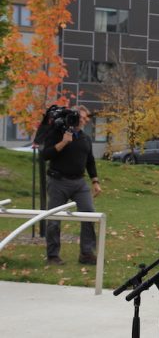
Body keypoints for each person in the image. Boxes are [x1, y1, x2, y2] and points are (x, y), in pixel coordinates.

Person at [40, 105, 102, 266]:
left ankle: (86, 254)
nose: (83, 120)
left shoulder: (85, 138)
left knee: (89, 214)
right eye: (80, 117)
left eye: (85, 118)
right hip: (58, 181)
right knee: (54, 219)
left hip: (79, 183)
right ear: (72, 117)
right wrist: (63, 143)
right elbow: (45, 155)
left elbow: (90, 161)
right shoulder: (57, 132)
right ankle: (53, 256)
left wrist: (95, 181)